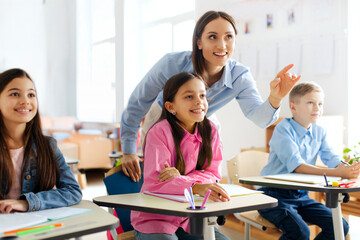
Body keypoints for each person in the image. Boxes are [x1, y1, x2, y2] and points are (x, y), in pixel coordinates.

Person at [120, 10, 301, 182]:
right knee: (162, 176)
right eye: (212, 37)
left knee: (201, 159)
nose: (222, 46)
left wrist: (275, 98)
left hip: (201, 118)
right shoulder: (171, 64)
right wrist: (128, 150)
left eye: (228, 37)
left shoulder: (240, 75)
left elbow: (260, 119)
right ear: (199, 42)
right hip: (163, 115)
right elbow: (138, 103)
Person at [131, 72, 230, 240]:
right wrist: (196, 186)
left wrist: (182, 179)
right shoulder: (159, 132)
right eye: (189, 96)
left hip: (191, 217)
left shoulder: (210, 130)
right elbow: (156, 183)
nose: (199, 101)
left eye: (202, 95)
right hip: (156, 218)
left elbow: (213, 175)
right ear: (171, 107)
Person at [259, 82, 360, 240]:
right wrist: (337, 172)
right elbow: (297, 166)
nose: (317, 108)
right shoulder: (283, 129)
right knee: (300, 232)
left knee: (340, 225)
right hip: (272, 194)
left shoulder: (320, 132)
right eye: (311, 103)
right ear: (293, 107)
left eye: (320, 104)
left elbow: (332, 158)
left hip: (301, 195)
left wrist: (347, 167)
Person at [0, 68, 82, 213]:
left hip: (34, 227)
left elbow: (73, 191)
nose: (25, 101)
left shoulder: (48, 146)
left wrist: (27, 203)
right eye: (14, 94)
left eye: (31, 94)